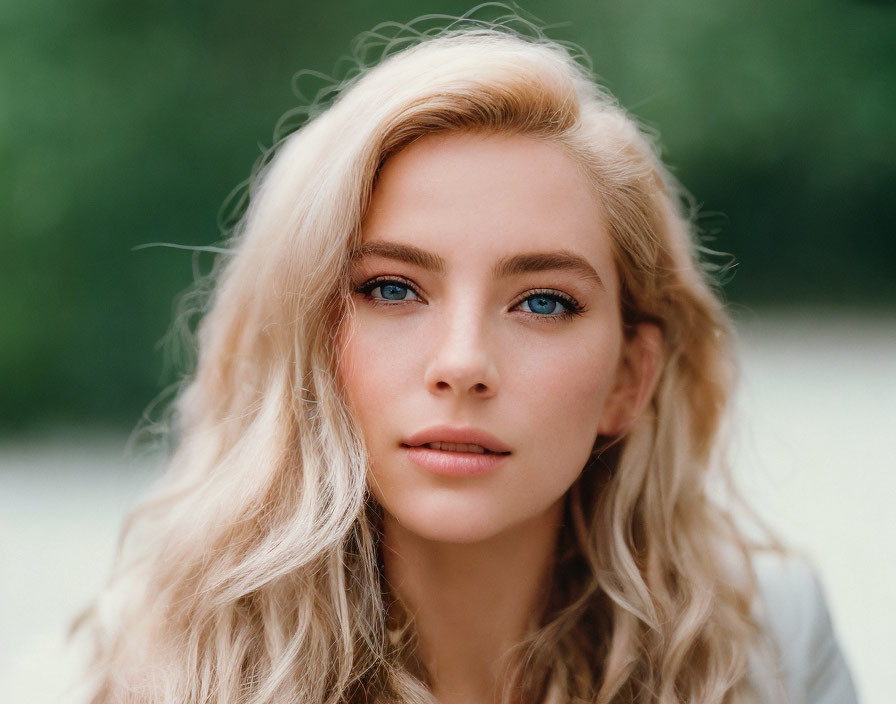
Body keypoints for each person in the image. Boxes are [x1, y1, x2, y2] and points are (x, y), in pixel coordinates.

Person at [74, 14, 859, 704]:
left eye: (543, 301)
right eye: (391, 288)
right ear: (304, 336)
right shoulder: (145, 672)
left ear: (630, 377)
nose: (462, 363)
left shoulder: (767, 644)